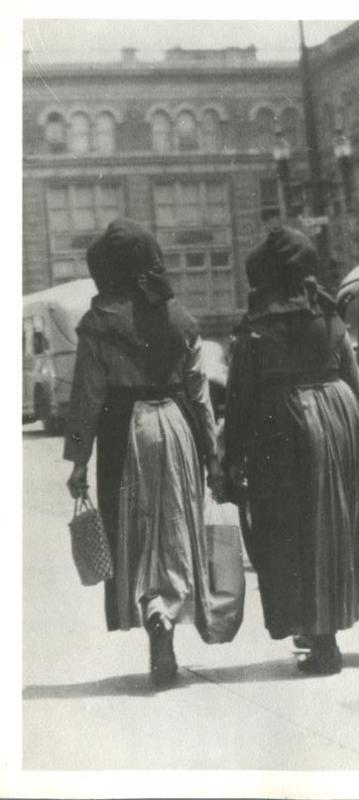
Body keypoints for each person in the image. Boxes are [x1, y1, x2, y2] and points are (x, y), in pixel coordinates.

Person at [223, 226, 359, 675]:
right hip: (338, 417)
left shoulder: (256, 327)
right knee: (329, 528)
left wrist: (231, 458)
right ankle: (324, 633)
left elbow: (239, 396)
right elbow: (358, 385)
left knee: (286, 531)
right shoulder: (329, 315)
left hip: (280, 425)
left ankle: (315, 635)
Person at [64, 218, 222, 689]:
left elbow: (88, 397)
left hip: (124, 432)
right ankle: (167, 608)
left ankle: (153, 612)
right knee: (173, 525)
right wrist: (211, 453)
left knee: (134, 528)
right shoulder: (181, 320)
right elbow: (199, 393)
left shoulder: (98, 325)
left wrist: (78, 462)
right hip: (175, 425)